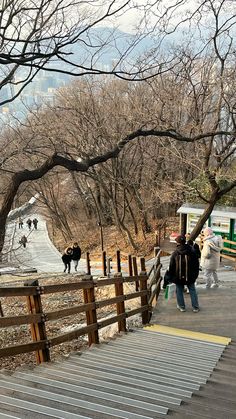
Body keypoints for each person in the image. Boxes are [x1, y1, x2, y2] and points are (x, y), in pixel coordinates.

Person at [168, 235, 200, 312]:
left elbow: (171, 267)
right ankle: (195, 307)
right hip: (190, 276)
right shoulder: (192, 251)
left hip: (178, 276)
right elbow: (196, 264)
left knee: (179, 290)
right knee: (192, 290)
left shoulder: (175, 253)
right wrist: (195, 275)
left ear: (177, 243)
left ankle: (181, 307)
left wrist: (171, 277)